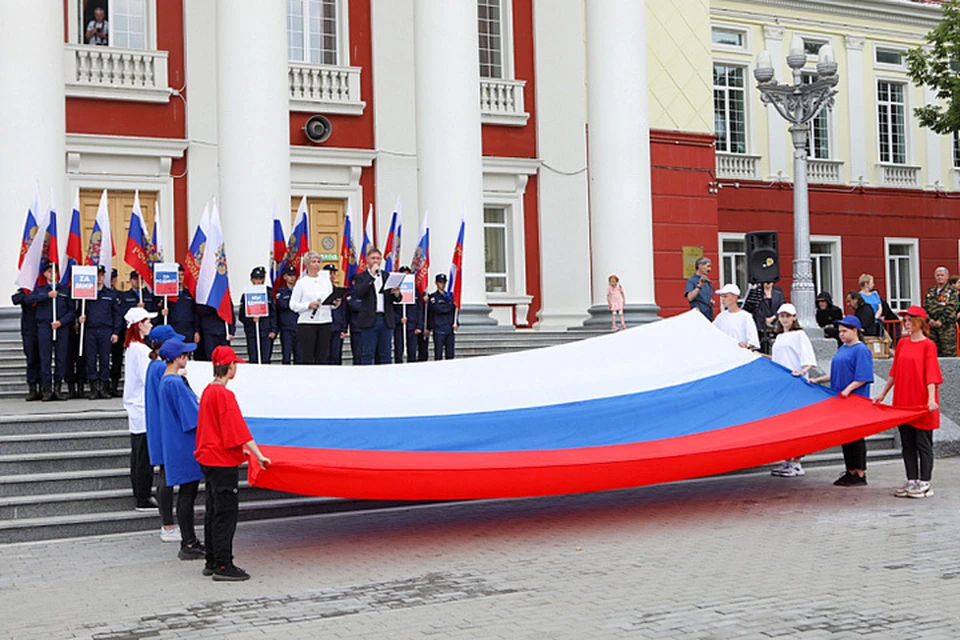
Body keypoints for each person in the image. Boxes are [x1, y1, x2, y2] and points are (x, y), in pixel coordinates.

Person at [195, 346, 272, 581]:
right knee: (226, 513)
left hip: (208, 457)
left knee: (213, 510)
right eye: (235, 364)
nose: (236, 368)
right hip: (222, 460)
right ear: (229, 368)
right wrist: (259, 455)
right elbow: (238, 429)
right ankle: (223, 564)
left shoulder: (208, 391)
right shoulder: (224, 395)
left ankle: (212, 559)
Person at [874, 306, 942, 499]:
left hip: (921, 401)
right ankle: (911, 479)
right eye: (905, 320)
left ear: (920, 322)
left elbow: (931, 374)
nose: (906, 324)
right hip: (903, 400)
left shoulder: (928, 345)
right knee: (907, 443)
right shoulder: (903, 343)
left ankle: (925, 482)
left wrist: (930, 399)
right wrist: (883, 394)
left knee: (923, 443)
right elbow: (894, 373)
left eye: (910, 320)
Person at [809, 315, 874, 487]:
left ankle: (860, 472)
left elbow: (863, 376)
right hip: (841, 398)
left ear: (855, 331)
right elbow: (836, 373)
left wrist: (848, 389)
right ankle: (850, 470)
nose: (841, 335)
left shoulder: (861, 350)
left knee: (856, 436)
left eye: (845, 331)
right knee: (846, 436)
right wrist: (819, 380)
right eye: (840, 332)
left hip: (855, 399)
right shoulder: (843, 348)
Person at [157, 338, 206, 559]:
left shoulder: (166, 379)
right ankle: (189, 542)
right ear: (178, 358)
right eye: (185, 355)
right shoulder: (175, 383)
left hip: (176, 441)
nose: (187, 358)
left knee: (186, 495)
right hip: (185, 443)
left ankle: (189, 540)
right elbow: (192, 416)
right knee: (188, 495)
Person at [144, 324, 185, 543]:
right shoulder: (161, 368)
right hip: (164, 426)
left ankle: (167, 523)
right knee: (166, 477)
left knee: (165, 475)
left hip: (158, 424)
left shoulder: (154, 366)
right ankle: (167, 524)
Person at [767, 303, 817, 478]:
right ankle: (788, 460)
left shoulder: (799, 335)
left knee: (796, 423)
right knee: (785, 424)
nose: (785, 319)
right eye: (782, 316)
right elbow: (778, 359)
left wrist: (802, 372)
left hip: (795, 384)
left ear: (794, 317)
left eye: (788, 316)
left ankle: (797, 462)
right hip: (782, 386)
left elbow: (809, 359)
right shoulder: (780, 336)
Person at [122, 307, 158, 511]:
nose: (150, 324)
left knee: (138, 452)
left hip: (137, 406)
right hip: (142, 406)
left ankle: (140, 492)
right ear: (139, 325)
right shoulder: (141, 350)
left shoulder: (134, 348)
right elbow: (148, 379)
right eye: (147, 321)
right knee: (143, 454)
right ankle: (143, 496)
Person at [25, 262, 76, 401]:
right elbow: (28, 299)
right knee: (45, 359)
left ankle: (58, 388)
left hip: (61, 328)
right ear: (45, 274)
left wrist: (61, 322)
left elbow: (72, 311)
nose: (52, 274)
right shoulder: (40, 290)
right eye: (49, 271)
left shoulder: (65, 291)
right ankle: (46, 389)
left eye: (54, 271)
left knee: (61, 358)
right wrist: (47, 295)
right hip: (44, 327)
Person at [354, 248, 402, 365]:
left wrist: (396, 293)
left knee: (386, 353)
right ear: (367, 260)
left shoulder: (387, 276)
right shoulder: (361, 277)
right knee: (368, 353)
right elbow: (360, 292)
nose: (376, 261)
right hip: (369, 319)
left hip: (386, 319)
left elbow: (397, 299)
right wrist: (372, 276)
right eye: (373, 258)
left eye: (378, 258)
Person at [289, 251, 335, 365]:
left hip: (325, 321)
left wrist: (335, 303)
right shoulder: (301, 283)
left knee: (322, 355)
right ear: (307, 264)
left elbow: (329, 300)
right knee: (307, 356)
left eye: (319, 262)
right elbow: (293, 305)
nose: (317, 264)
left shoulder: (326, 281)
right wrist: (307, 305)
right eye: (313, 262)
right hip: (307, 322)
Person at [238, 266, 277, 364]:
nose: (259, 282)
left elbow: (273, 313)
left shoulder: (269, 293)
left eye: (261, 279)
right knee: (254, 359)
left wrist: (273, 330)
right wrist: (251, 319)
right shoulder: (246, 294)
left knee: (266, 359)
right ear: (252, 280)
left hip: (266, 331)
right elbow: (241, 316)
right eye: (256, 279)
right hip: (252, 332)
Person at [12, 287, 42, 401]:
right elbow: (15, 299)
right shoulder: (23, 290)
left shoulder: (43, 289)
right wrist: (30, 297)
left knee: (43, 360)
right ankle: (33, 388)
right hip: (29, 330)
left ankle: (44, 387)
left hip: (42, 329)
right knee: (31, 359)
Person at [922, 266, 958, 358]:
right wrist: (929, 320)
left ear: (947, 277)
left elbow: (951, 308)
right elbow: (925, 307)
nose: (940, 277)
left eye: (942, 275)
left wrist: (941, 321)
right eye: (938, 275)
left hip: (947, 328)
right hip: (933, 328)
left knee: (948, 354)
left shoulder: (952, 291)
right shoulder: (931, 291)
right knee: (933, 353)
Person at [712, 284, 759, 350]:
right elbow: (712, 331)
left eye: (725, 296)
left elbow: (753, 341)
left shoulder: (745, 316)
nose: (723, 299)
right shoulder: (721, 317)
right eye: (722, 297)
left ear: (735, 297)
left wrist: (746, 346)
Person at [166, 264, 200, 345]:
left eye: (182, 275)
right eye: (177, 275)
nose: (180, 277)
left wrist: (197, 331)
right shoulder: (168, 294)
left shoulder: (189, 294)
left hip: (188, 330)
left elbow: (195, 313)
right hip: (174, 329)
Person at [274, 264, 300, 364]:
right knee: (286, 356)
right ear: (285, 277)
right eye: (289, 275)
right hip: (286, 328)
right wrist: (295, 302)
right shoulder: (281, 292)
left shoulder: (300, 291)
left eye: (294, 275)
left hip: (299, 326)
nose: (292, 278)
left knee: (299, 356)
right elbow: (283, 304)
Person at [427, 273, 457, 360]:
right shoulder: (433, 297)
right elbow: (439, 309)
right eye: (440, 282)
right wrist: (451, 306)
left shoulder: (449, 297)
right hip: (439, 329)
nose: (442, 284)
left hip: (449, 328)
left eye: (444, 282)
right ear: (436, 283)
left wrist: (456, 322)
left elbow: (455, 311)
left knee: (450, 355)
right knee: (438, 355)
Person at [326, 265, 348, 365]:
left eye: (334, 273)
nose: (332, 275)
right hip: (324, 325)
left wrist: (344, 328)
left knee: (336, 355)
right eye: (330, 273)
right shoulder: (321, 291)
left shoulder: (338, 291)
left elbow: (343, 311)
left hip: (337, 327)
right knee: (325, 355)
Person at [391, 266, 413, 362]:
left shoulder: (413, 291)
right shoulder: (395, 291)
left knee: (412, 351)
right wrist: (398, 319)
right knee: (399, 349)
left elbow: (418, 310)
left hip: (411, 325)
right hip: (399, 325)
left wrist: (418, 325)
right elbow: (391, 309)